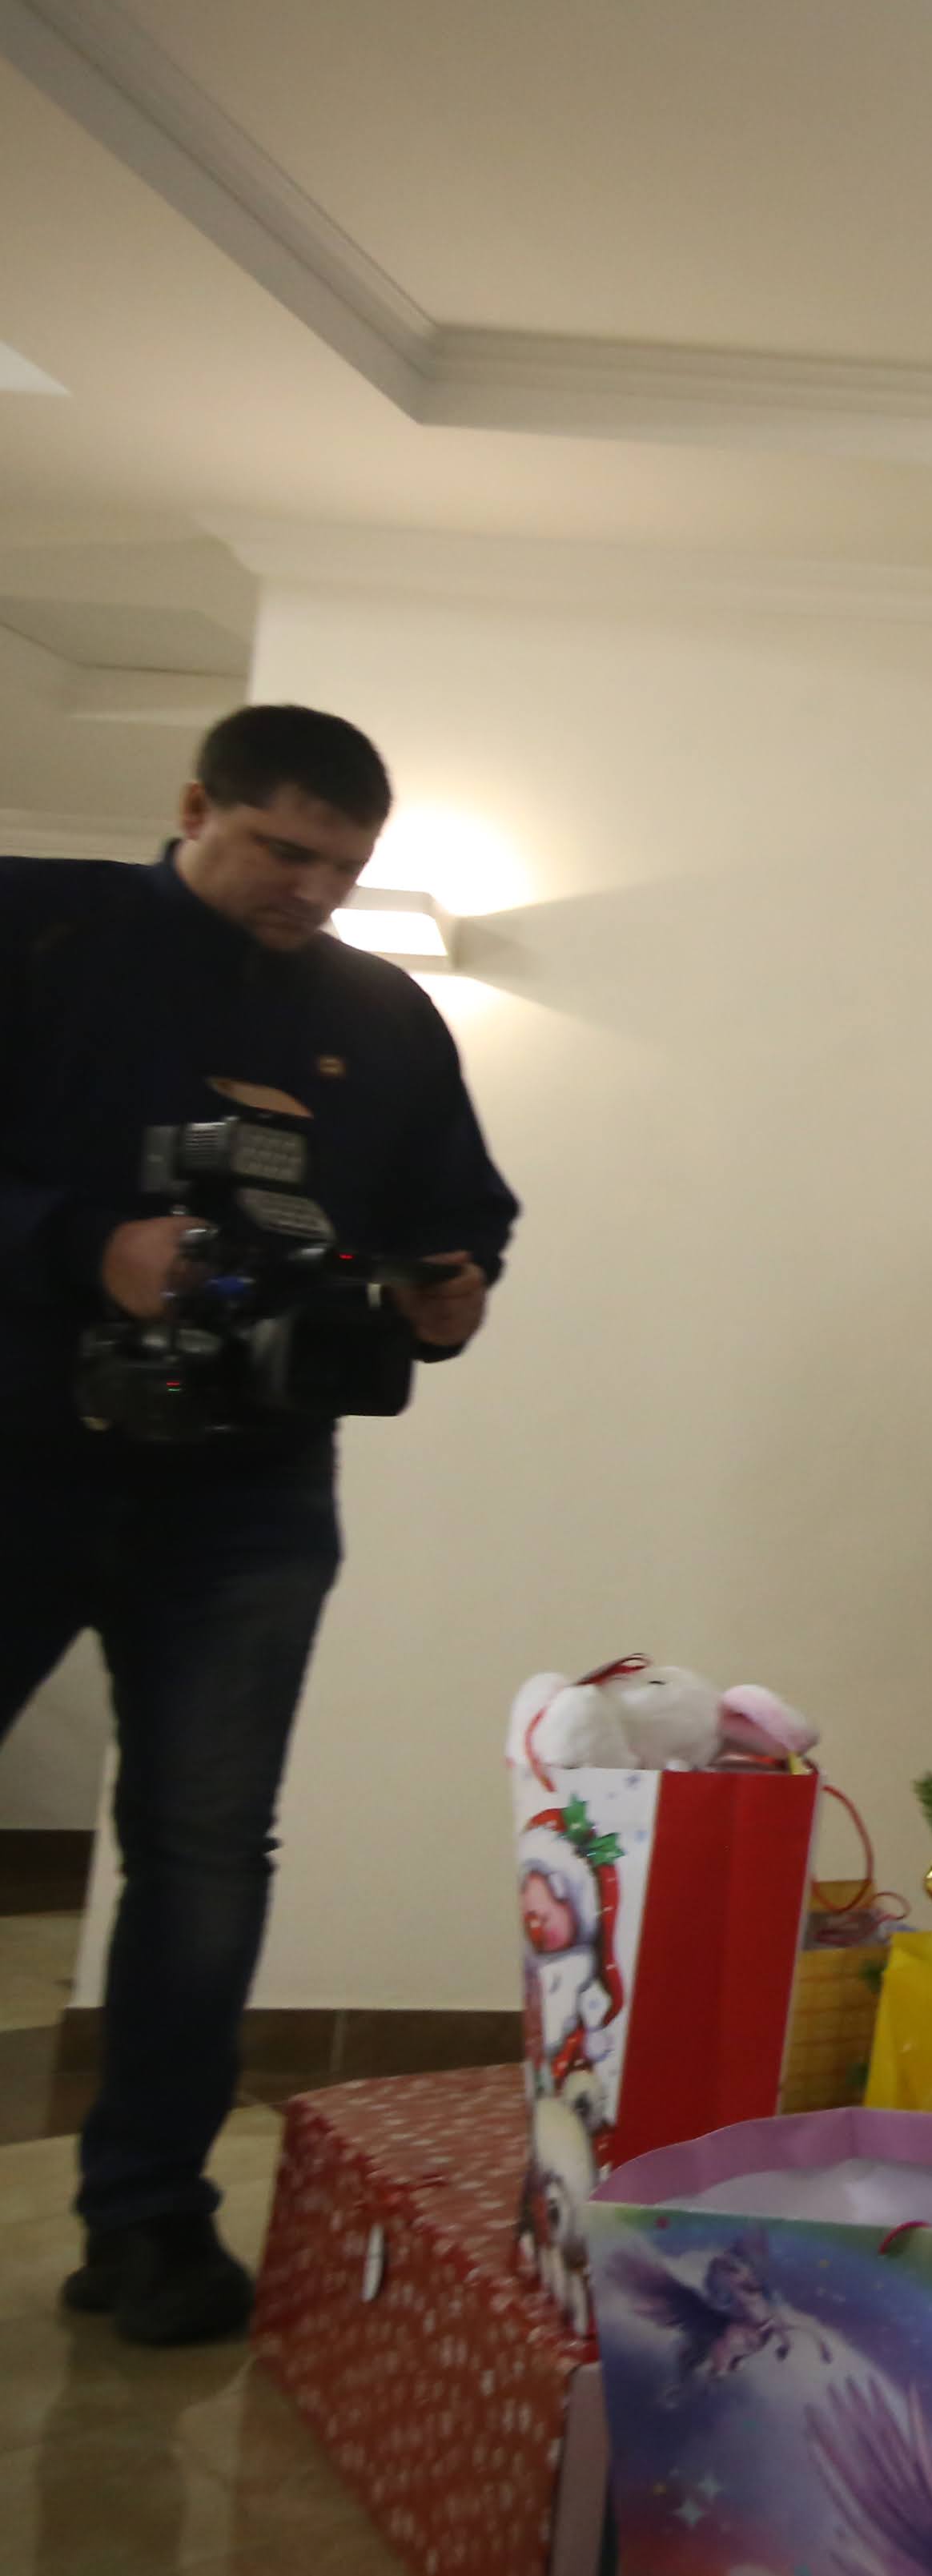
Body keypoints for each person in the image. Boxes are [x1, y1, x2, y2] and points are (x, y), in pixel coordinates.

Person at [0, 706, 516, 2341]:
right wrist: (86, 1246)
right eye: (283, 852)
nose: (313, 892)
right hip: (19, 1455)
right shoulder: (39, 928)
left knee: (208, 1853)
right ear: (194, 805)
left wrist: (450, 1294)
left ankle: (150, 2221)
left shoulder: (381, 1014)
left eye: (343, 868)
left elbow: (460, 1217)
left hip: (248, 1498)